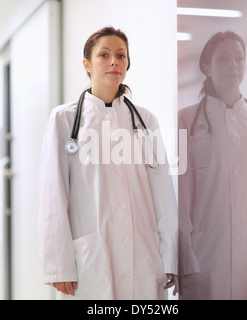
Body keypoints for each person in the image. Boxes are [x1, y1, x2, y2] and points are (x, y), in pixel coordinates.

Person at [38, 26, 178, 300]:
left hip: (145, 257)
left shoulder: (145, 121)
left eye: (121, 55)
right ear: (87, 64)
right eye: (104, 54)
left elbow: (163, 193)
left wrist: (170, 256)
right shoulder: (64, 120)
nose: (114, 61)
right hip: (90, 259)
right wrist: (59, 265)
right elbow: (53, 197)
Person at [178, 31, 247, 299]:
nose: (233, 65)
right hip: (207, 253)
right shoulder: (185, 121)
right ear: (206, 67)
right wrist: (182, 255)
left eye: (239, 58)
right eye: (223, 59)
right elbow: (181, 199)